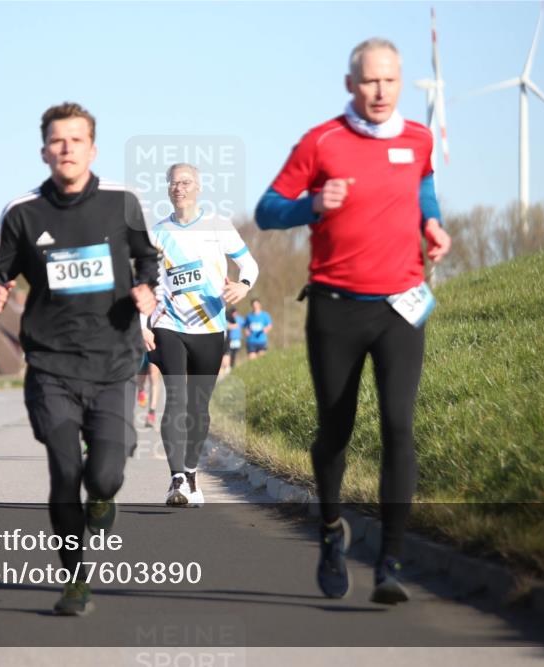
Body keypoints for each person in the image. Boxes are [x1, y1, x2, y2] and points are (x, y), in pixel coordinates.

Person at [255, 38, 451, 604]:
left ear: (400, 80)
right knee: (336, 429)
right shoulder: (321, 142)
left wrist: (432, 224)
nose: (381, 91)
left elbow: (425, 187)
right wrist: (312, 205)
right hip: (336, 308)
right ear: (350, 85)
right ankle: (330, 530)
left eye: (390, 80)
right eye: (369, 81)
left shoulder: (418, 137)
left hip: (400, 307)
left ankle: (390, 562)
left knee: (398, 427)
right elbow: (268, 209)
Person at [0, 102, 158, 615]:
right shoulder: (22, 211)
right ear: (44, 151)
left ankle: (104, 496)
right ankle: (75, 580)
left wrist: (145, 287)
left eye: (76, 140)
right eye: (58, 140)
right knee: (63, 469)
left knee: (104, 476)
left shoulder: (122, 202)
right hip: (52, 365)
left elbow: (147, 257)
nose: (67, 148)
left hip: (115, 362)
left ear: (92, 149)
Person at [145, 163, 259, 507]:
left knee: (198, 406)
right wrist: (142, 326)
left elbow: (249, 265)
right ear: (167, 190)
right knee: (176, 398)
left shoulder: (218, 226)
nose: (178, 187)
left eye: (185, 182)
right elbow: (145, 284)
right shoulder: (156, 233)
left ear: (198, 187)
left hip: (210, 326)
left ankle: (191, 473)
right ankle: (176, 477)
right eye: (173, 183)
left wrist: (243, 285)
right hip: (169, 324)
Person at [136, 351, 162, 428]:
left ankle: (151, 412)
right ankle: (141, 390)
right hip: (142, 346)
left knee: (154, 376)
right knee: (140, 375)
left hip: (155, 346)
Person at [220, 306, 245, 374]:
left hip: (228, 339)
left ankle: (228, 368)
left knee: (228, 354)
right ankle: (223, 369)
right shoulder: (219, 315)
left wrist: (227, 325)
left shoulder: (230, 317)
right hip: (219, 339)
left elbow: (236, 325)